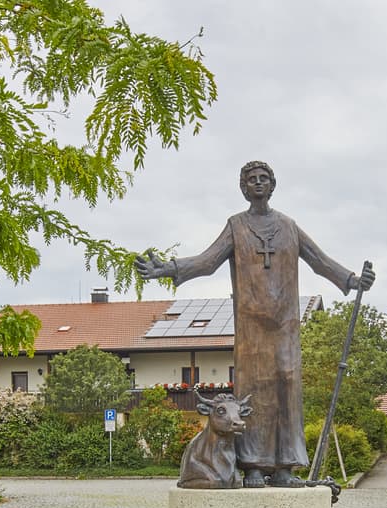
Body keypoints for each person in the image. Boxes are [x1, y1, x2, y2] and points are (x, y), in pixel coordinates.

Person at [137, 161, 374, 486]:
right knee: (253, 394)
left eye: (264, 178)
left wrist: (352, 280)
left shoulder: (288, 226)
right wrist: (168, 268)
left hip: (286, 326)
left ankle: (286, 468)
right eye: (251, 180)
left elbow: (320, 261)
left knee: (286, 389)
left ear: (272, 185)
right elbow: (207, 262)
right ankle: (253, 467)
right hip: (250, 329)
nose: (258, 183)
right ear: (244, 188)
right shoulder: (236, 226)